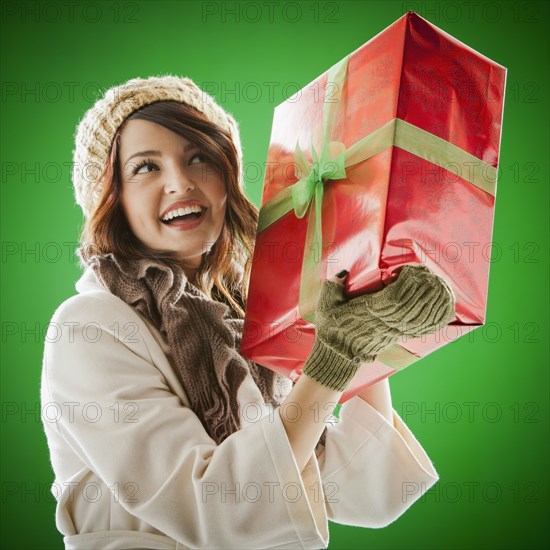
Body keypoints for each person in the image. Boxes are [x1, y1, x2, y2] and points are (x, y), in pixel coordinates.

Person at [40, 74, 456, 550]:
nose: (180, 182)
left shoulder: (242, 319)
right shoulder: (89, 327)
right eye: (145, 168)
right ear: (110, 199)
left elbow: (363, 491)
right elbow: (215, 511)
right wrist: (336, 356)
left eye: (198, 156)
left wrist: (368, 314)